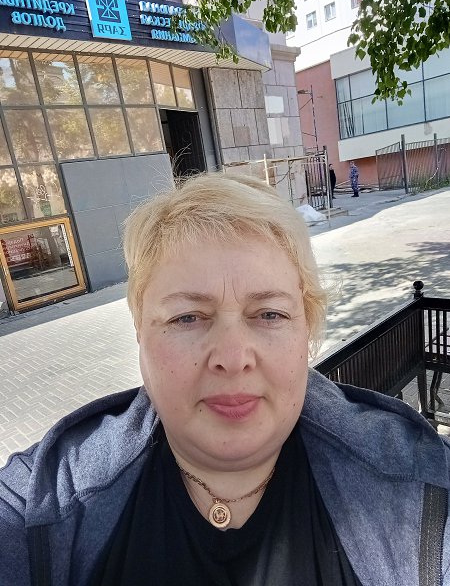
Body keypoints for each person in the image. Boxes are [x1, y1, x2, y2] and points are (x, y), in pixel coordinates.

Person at [0, 173, 449, 586]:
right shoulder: (40, 506)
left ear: (307, 330)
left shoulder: (422, 485)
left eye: (269, 314)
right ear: (140, 331)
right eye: (187, 317)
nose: (233, 359)